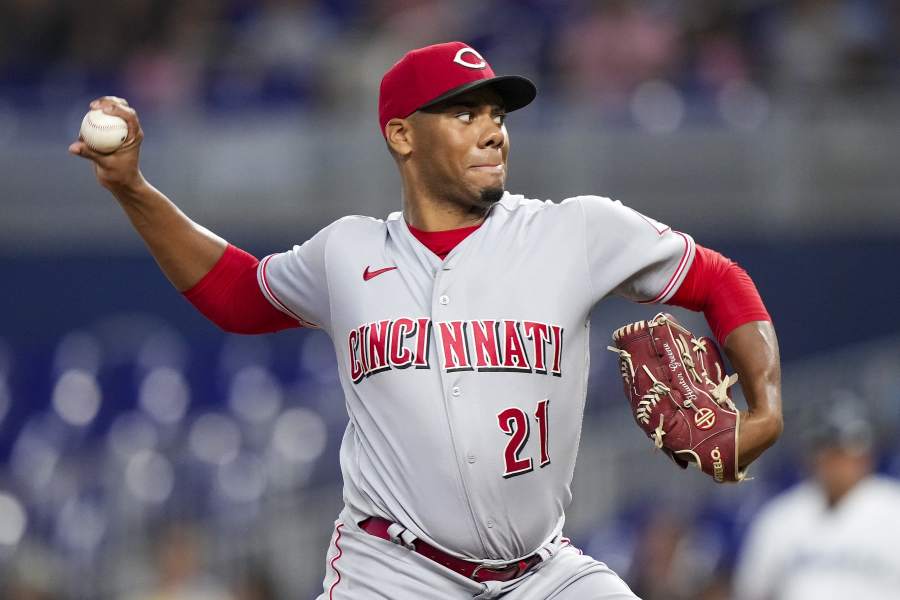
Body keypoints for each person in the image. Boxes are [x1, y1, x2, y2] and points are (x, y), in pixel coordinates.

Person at [69, 42, 782, 600]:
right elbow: (238, 294)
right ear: (403, 135)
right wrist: (133, 190)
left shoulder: (575, 231)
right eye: (465, 114)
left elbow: (722, 281)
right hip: (391, 570)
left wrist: (767, 409)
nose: (493, 132)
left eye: (497, 115)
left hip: (542, 573)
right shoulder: (346, 253)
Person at [732, 403, 900, 600]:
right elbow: (752, 590)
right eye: (829, 451)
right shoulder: (781, 516)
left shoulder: (893, 509)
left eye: (843, 453)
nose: (836, 463)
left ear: (866, 457)